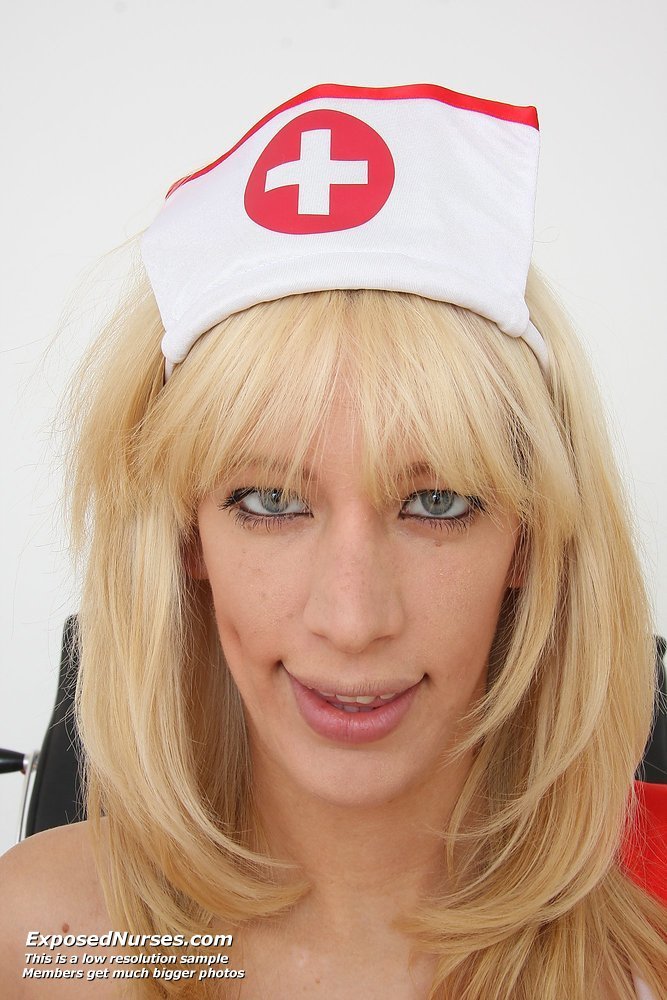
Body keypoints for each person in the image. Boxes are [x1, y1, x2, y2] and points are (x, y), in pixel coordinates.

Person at [0, 82, 665, 999]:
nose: (352, 621)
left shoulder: (641, 957)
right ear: (186, 539)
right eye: (270, 500)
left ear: (528, 543)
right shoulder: (47, 945)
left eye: (437, 502)